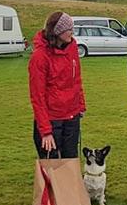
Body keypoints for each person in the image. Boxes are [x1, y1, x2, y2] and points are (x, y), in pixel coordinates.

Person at [28, 12, 86, 159]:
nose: (72, 33)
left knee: (70, 161)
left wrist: (80, 105)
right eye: (69, 29)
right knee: (51, 165)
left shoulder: (72, 48)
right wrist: (46, 131)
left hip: (72, 116)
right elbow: (37, 96)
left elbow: (76, 80)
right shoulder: (39, 57)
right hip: (52, 119)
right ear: (57, 31)